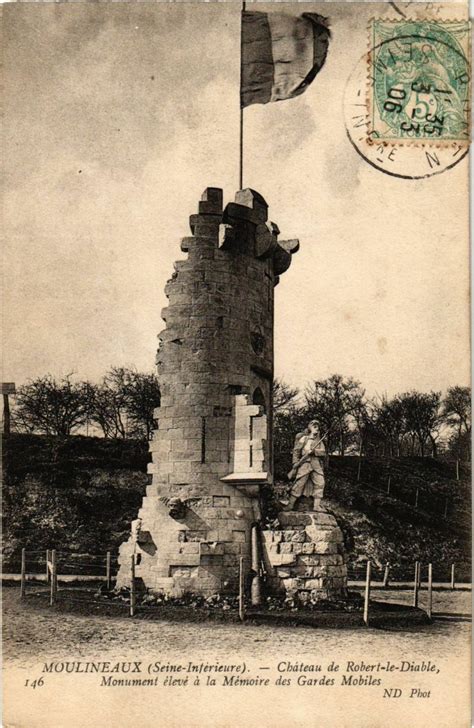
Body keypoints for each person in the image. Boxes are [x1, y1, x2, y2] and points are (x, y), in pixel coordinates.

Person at [281, 420, 326, 511]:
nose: (316, 429)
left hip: (316, 465)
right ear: (310, 428)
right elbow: (296, 451)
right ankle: (290, 505)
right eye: (314, 426)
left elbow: (323, 452)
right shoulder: (304, 439)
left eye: (317, 427)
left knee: (320, 483)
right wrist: (295, 463)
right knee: (299, 484)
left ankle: (316, 506)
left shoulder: (319, 441)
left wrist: (314, 452)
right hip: (304, 464)